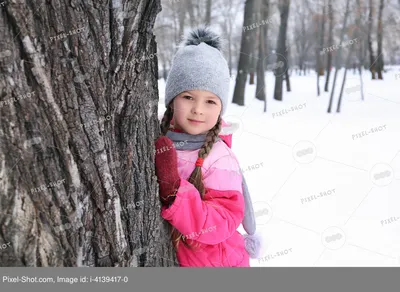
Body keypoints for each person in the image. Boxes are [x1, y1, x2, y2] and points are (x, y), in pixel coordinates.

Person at [154, 26, 262, 267]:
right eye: (188, 97)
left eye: (210, 101)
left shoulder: (220, 159)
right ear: (172, 100)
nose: (198, 109)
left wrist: (175, 192)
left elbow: (223, 220)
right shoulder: (159, 136)